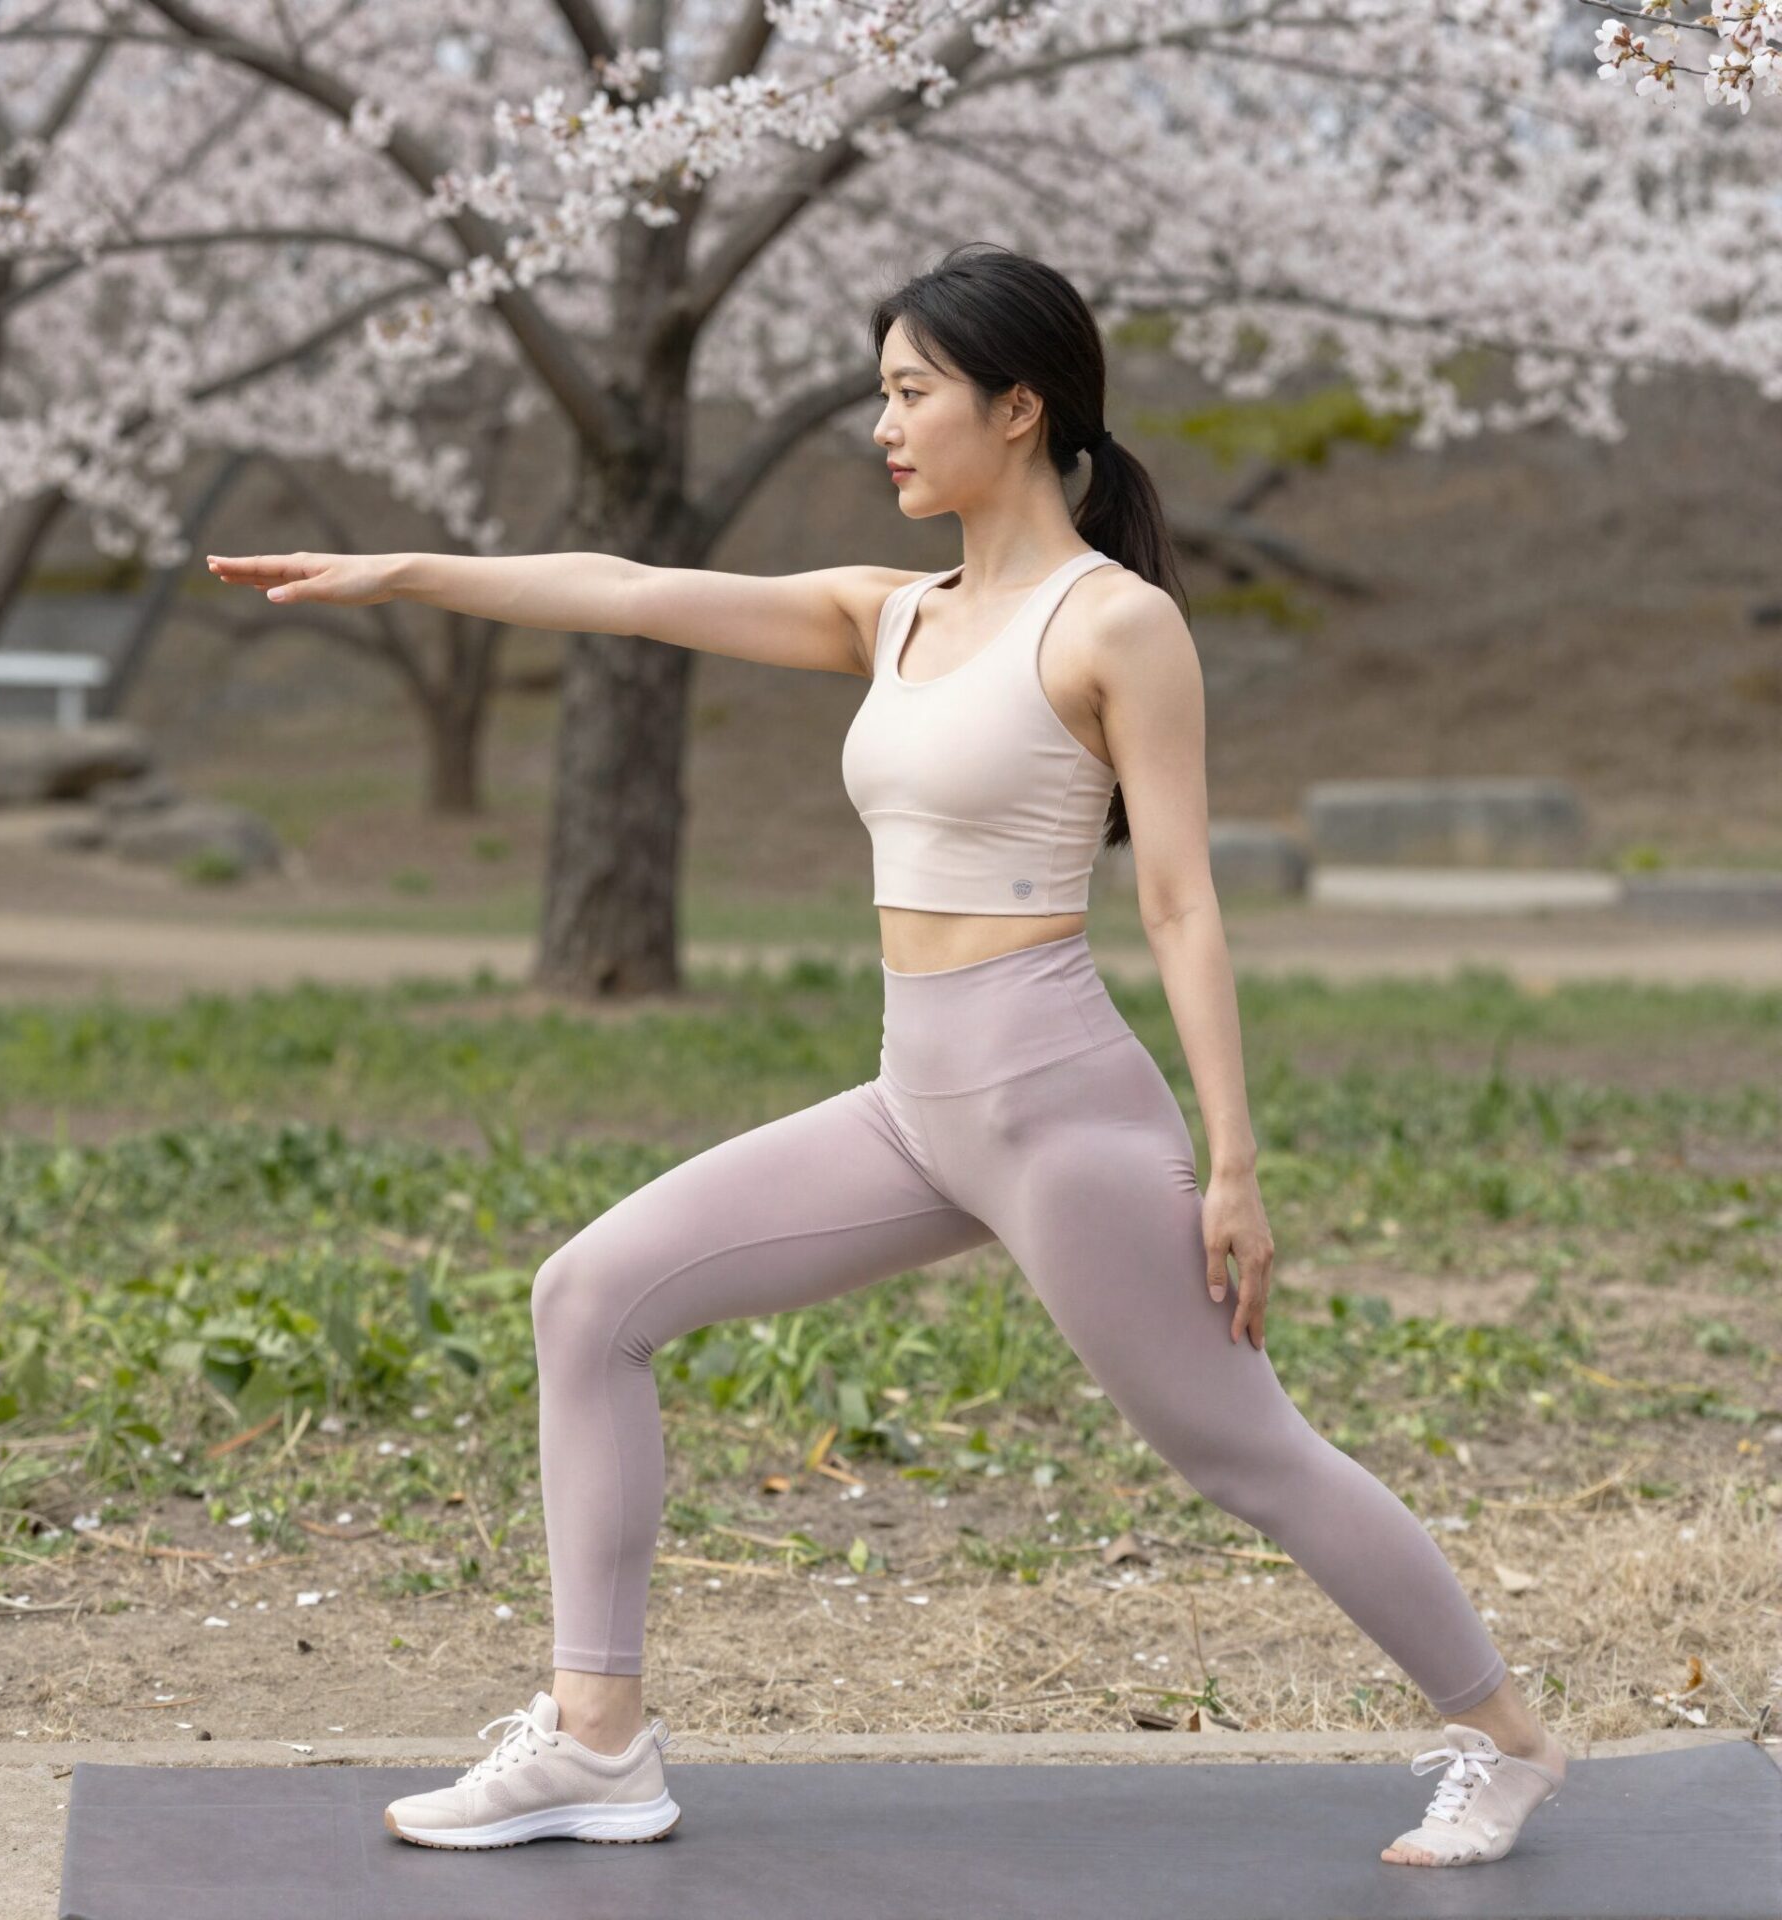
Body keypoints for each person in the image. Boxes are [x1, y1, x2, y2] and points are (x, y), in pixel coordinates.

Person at [205, 242, 1569, 1867]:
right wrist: (408, 572)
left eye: (913, 392)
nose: (885, 425)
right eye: (881, 392)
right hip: (914, 1102)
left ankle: (1505, 1741)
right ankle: (597, 1739)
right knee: (588, 1295)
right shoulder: (892, 613)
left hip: (1057, 1113)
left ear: (1018, 407)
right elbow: (633, 592)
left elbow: (1184, 901)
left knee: (1237, 1445)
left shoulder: (1114, 624)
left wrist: (1236, 1164)